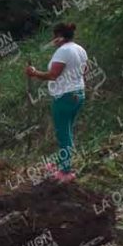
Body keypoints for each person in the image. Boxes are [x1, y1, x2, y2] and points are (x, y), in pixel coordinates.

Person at [26, 22, 87, 182]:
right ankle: (62, 163)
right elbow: (84, 70)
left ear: (60, 37)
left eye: (54, 36)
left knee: (63, 133)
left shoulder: (63, 51)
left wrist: (34, 73)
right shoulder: (80, 49)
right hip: (78, 93)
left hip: (64, 96)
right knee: (67, 131)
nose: (52, 40)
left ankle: (66, 172)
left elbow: (53, 75)